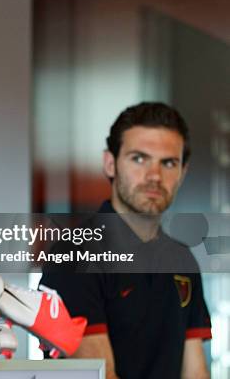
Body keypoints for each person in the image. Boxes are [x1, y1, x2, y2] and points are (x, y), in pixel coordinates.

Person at [40, 102, 211, 379]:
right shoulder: (75, 254)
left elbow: (196, 373)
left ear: (183, 172)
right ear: (110, 163)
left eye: (168, 163)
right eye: (139, 158)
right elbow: (98, 375)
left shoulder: (182, 261)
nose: (154, 176)